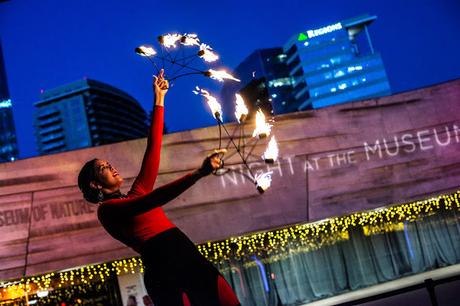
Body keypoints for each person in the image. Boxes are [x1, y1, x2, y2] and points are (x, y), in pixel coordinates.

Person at [78, 69, 240, 306]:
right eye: (103, 168)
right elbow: (150, 201)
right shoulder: (108, 210)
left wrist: (159, 99)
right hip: (164, 271)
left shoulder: (135, 192)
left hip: (189, 258)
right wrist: (198, 174)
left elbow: (153, 148)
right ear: (95, 184)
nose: (112, 167)